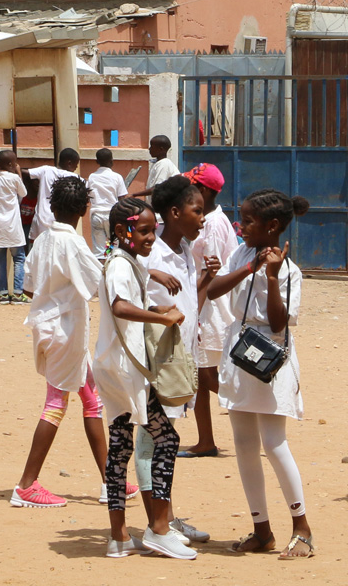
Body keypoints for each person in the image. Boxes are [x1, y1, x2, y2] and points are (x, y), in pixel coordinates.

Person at [11, 176, 138, 508]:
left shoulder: (41, 240)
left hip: (50, 328)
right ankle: (26, 484)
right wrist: (113, 253)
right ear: (85, 208)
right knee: (56, 403)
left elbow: (28, 288)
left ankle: (112, 481)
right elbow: (97, 285)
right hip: (65, 331)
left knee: (92, 399)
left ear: (51, 207)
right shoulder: (75, 244)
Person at [208, 189, 314, 559]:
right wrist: (249, 268)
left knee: (274, 443)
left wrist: (270, 276)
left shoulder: (289, 271)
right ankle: (261, 529)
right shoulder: (241, 253)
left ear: (272, 227)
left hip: (271, 357)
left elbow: (279, 322)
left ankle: (302, 528)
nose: (241, 225)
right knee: (244, 444)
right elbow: (213, 290)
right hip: (240, 353)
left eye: (248, 220)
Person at [93, 195, 195, 560]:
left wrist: (155, 308)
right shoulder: (121, 263)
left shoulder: (123, 260)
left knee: (120, 447)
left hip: (111, 365)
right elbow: (120, 305)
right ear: (123, 231)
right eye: (145, 230)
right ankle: (160, 528)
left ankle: (119, 536)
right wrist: (162, 318)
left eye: (153, 230)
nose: (151, 237)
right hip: (127, 367)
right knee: (167, 439)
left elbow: (124, 303)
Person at [132, 174, 211, 547]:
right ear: (175, 212)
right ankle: (157, 525)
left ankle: (167, 520)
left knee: (163, 439)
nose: (204, 216)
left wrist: (209, 277)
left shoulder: (184, 252)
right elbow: (126, 287)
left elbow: (190, 303)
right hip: (157, 363)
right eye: (198, 210)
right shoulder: (152, 254)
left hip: (180, 360)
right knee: (151, 441)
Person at [178, 164, 236, 459]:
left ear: (202, 191)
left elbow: (210, 271)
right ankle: (205, 440)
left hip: (211, 308)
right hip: (206, 305)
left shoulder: (212, 224)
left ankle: (248, 407)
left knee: (207, 376)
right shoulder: (214, 219)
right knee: (202, 376)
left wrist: (195, 313)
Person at [0, 150, 28, 305]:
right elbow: (23, 192)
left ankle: (3, 295)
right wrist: (18, 173)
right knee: (19, 258)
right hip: (13, 225)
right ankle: (17, 294)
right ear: (11, 164)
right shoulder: (15, 178)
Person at [23, 148, 80, 242]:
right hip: (61, 223)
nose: (76, 167)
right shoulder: (76, 179)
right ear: (69, 163)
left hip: (41, 221)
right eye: (76, 164)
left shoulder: (46, 170)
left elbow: (26, 173)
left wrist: (14, 168)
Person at [85, 148, 127, 260]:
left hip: (96, 215)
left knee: (99, 251)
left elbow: (87, 195)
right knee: (114, 245)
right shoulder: (117, 177)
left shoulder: (92, 177)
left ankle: (101, 271)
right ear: (111, 161)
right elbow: (122, 199)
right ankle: (111, 264)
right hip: (112, 216)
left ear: (97, 161)